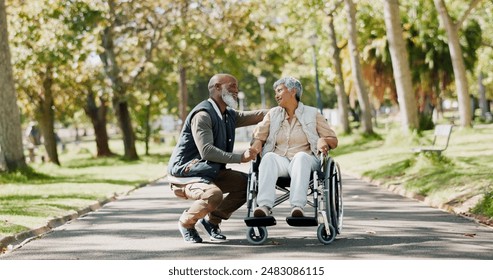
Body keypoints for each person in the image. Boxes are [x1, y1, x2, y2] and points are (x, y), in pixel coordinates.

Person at [167, 73, 266, 243]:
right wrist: (240, 157)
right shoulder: (203, 115)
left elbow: (259, 115)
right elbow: (206, 151)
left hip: (209, 171)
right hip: (187, 174)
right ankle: (187, 223)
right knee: (214, 195)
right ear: (218, 88)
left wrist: (289, 107)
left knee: (250, 184)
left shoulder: (228, 114)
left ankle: (212, 221)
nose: (237, 90)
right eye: (233, 86)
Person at [250, 76, 338, 218]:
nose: (276, 95)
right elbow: (258, 135)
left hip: (307, 160)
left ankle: (297, 206)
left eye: (279, 90)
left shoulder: (312, 113)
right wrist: (257, 142)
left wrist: (323, 140)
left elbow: (333, 141)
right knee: (269, 157)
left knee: (300, 157)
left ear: (293, 91)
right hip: (282, 161)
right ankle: (264, 206)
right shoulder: (273, 114)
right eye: (275, 92)